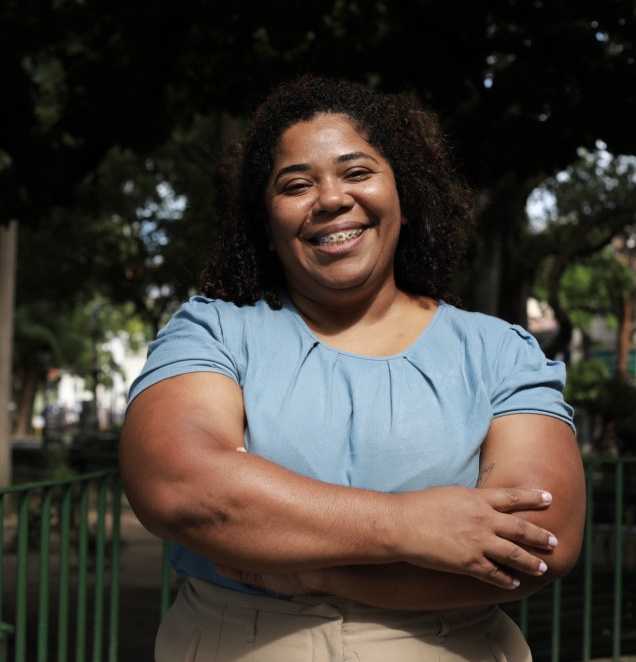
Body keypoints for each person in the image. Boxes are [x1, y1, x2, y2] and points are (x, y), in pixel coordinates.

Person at [119, 75, 586, 661]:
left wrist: (323, 575)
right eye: (296, 184)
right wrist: (408, 525)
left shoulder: (499, 352)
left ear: (406, 199)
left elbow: (542, 543)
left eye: (358, 172)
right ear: (266, 226)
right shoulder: (214, 331)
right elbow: (179, 487)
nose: (332, 199)